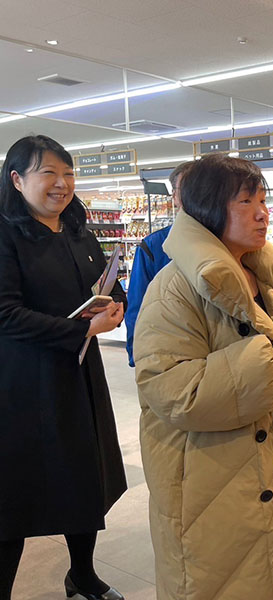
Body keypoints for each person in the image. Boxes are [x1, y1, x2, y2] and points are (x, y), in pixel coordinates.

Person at [134, 153, 273, 600]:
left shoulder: (262, 277)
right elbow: (171, 391)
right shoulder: (174, 290)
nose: (262, 212)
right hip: (211, 487)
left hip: (268, 473)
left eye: (263, 199)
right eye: (246, 202)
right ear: (209, 210)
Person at [0, 135, 127, 600]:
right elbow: (5, 313)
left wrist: (115, 306)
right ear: (17, 180)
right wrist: (80, 332)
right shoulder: (7, 235)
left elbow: (107, 288)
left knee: (82, 479)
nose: (62, 184)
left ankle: (82, 575)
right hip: (24, 385)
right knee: (16, 490)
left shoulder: (78, 232)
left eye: (69, 173)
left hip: (80, 378)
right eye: (48, 173)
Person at [124, 160, 193, 366]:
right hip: (168, 355)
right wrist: (137, 355)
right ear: (175, 197)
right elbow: (137, 306)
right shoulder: (152, 247)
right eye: (187, 188)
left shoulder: (232, 241)